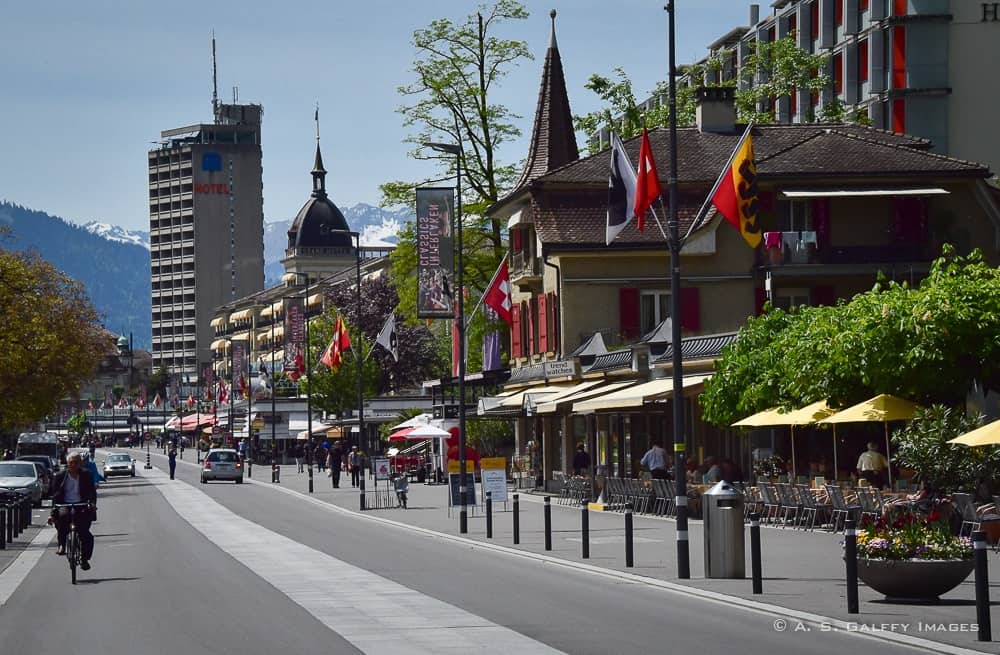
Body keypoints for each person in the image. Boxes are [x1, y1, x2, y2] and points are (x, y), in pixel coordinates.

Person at [49, 452, 97, 570]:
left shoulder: (86, 475)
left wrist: (92, 503)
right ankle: (62, 545)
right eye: (71, 463)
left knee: (86, 535)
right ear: (68, 463)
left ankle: (84, 559)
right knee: (62, 519)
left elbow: (92, 492)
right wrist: (53, 511)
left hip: (81, 505)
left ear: (80, 463)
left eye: (76, 462)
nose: (73, 465)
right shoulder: (60, 476)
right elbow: (55, 496)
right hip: (64, 504)